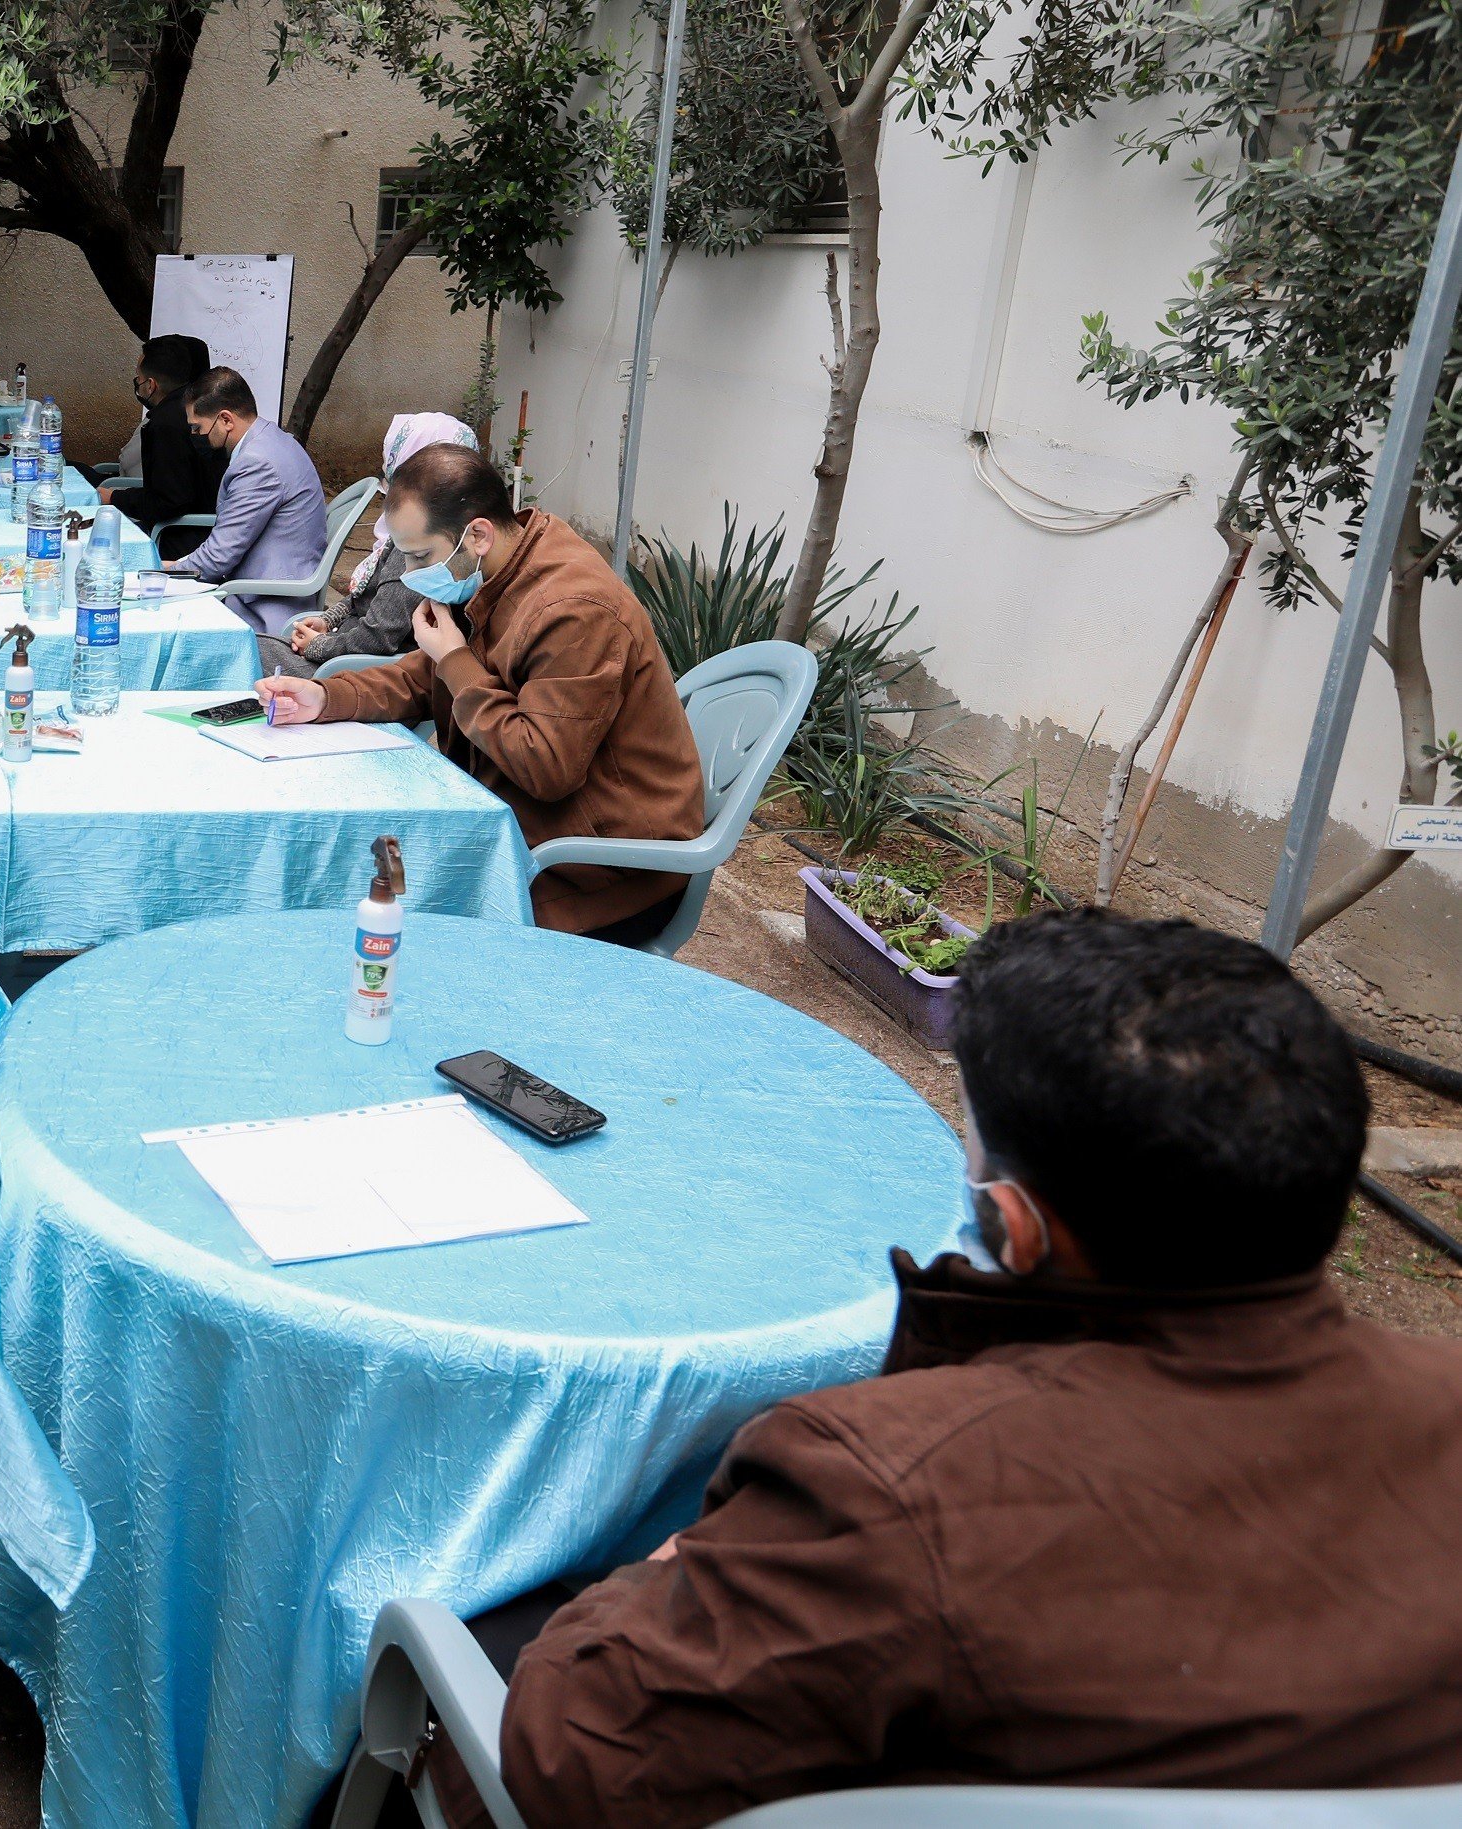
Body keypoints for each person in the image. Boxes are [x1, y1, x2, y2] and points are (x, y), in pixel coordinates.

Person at [470, 910, 1462, 1825]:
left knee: (490, 1607)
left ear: (1014, 1225)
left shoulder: (885, 1486)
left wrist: (662, 1566)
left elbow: (577, 1759)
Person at [258, 442, 701, 941]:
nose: (411, 576)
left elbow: (546, 766)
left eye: (420, 556)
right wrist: (325, 698)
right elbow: (421, 677)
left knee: (386, 912)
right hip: (528, 826)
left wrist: (454, 658)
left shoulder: (576, 610)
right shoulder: (495, 571)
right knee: (356, 870)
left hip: (601, 872)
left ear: (478, 534)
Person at [266, 411, 477, 677]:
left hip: (355, 668)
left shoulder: (419, 544)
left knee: (243, 652)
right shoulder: (414, 532)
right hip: (347, 653)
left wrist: (320, 645)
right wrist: (329, 619)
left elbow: (380, 635)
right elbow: (370, 593)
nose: (387, 470)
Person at [163, 367, 328, 641]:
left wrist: (165, 572)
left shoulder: (257, 462)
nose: (195, 435)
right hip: (260, 588)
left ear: (226, 419)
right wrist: (178, 565)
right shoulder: (272, 439)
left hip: (263, 606)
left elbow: (218, 558)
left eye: (197, 428)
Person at [101, 334, 229, 561]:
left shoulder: (167, 423)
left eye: (139, 379)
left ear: (151, 385)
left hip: (182, 539)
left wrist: (114, 498)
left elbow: (169, 501)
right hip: (200, 529)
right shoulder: (191, 408)